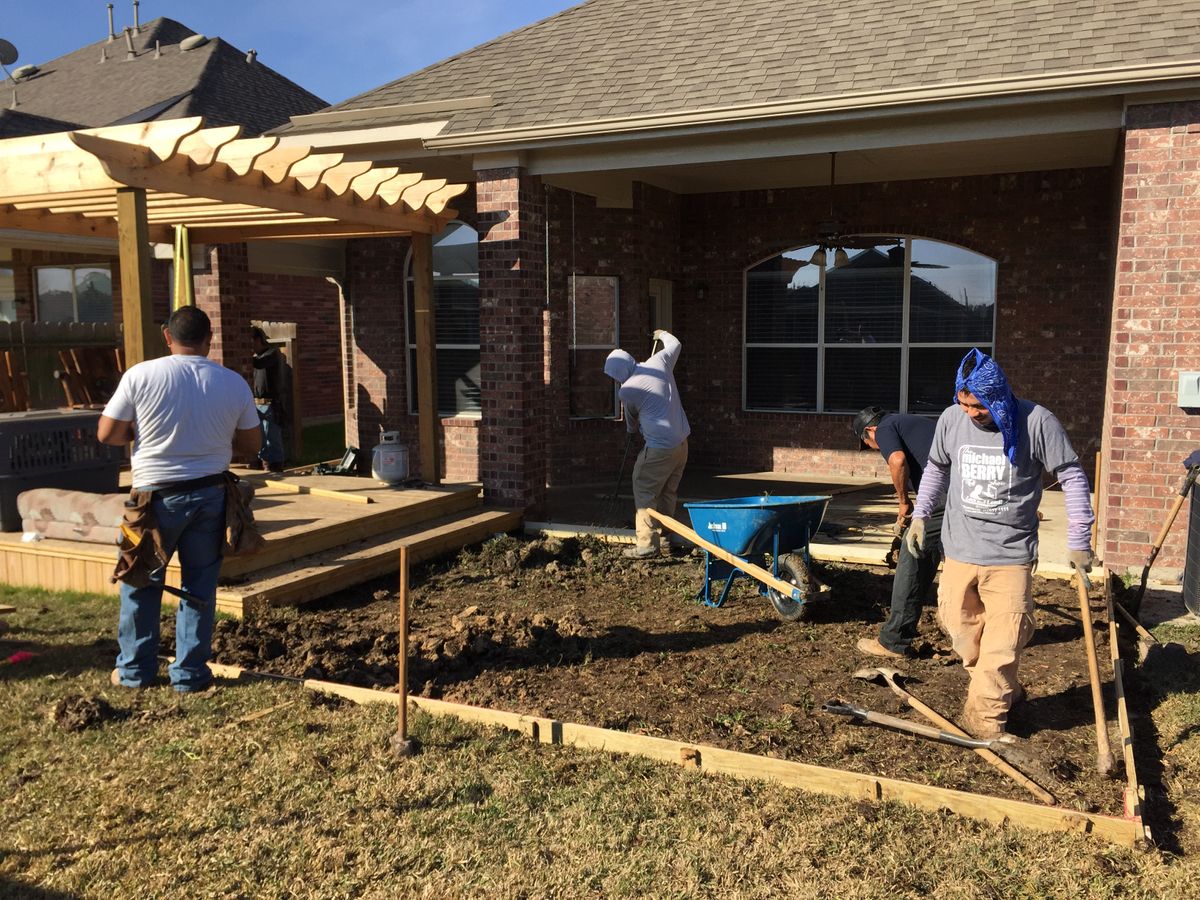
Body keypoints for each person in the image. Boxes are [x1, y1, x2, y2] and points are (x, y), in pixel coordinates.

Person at [906, 348, 1095, 739]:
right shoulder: (951, 420)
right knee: (962, 633)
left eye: (978, 405)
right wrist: (921, 514)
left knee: (1003, 644)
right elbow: (938, 467)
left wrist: (1079, 540)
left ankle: (985, 723)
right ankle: (1004, 690)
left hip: (1010, 556)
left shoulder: (1037, 422)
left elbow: (1073, 477)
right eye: (963, 403)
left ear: (999, 395)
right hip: (959, 550)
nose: (970, 413)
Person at [99, 307, 261, 692]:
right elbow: (253, 445)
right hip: (211, 496)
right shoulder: (233, 382)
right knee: (199, 585)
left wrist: (139, 436)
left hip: (154, 500)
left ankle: (136, 672)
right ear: (209, 340)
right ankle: (189, 675)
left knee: (140, 580)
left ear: (167, 336)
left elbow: (107, 433)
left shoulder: (140, 375)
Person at [851, 406, 943, 658]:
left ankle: (894, 641)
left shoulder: (886, 427)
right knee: (962, 562)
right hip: (962, 493)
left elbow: (897, 460)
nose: (876, 448)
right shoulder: (912, 422)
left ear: (870, 431)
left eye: (870, 444)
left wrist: (903, 502)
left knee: (913, 558)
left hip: (943, 498)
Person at [604, 329, 690, 559]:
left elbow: (631, 422)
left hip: (660, 448)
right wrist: (661, 334)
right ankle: (666, 537)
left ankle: (647, 544)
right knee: (667, 491)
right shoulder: (659, 361)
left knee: (644, 487)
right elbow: (675, 343)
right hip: (681, 444)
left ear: (618, 373)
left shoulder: (628, 390)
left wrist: (631, 432)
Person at [248, 327, 290, 473]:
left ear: (258, 339)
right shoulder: (256, 357)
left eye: (251, 342)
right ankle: (264, 467)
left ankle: (276, 468)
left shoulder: (272, 353)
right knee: (260, 439)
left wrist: (244, 355)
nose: (250, 346)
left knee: (272, 439)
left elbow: (260, 363)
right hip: (256, 403)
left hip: (270, 403)